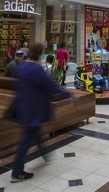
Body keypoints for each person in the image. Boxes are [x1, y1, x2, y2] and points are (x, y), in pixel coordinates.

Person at [10, 43, 70, 183]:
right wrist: (68, 94)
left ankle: (46, 154)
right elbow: (51, 86)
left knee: (35, 132)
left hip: (23, 106)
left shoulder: (21, 66)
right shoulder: (37, 69)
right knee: (26, 140)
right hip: (34, 109)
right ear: (40, 54)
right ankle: (16, 172)